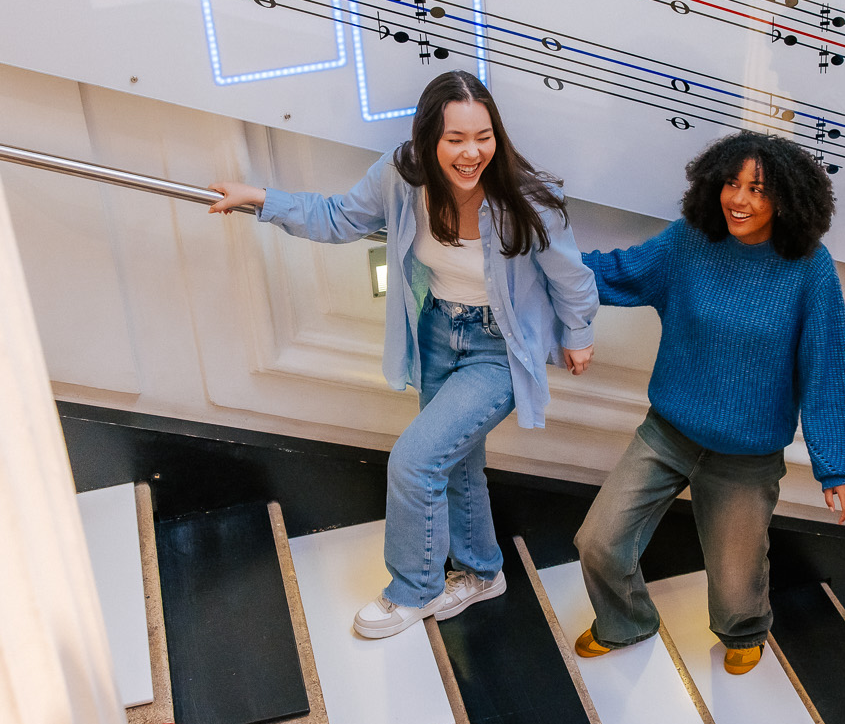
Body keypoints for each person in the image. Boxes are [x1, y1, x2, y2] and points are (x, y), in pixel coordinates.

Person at [209, 72, 596, 639]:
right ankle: (484, 574)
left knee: (416, 461)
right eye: (455, 139)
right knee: (456, 459)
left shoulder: (525, 196)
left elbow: (573, 276)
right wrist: (263, 200)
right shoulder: (401, 177)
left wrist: (579, 333)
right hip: (438, 331)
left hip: (500, 348)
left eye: (483, 136)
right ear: (428, 139)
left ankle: (412, 590)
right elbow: (340, 217)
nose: (472, 153)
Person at [573, 130, 845, 677]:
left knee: (736, 587)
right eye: (732, 183)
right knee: (597, 541)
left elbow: (830, 369)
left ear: (787, 199)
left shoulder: (809, 269)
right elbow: (617, 271)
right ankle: (627, 621)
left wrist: (839, 467)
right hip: (667, 434)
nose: (739, 199)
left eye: (757, 189)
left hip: (745, 461)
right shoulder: (689, 241)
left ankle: (744, 629)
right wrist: (536, 259)